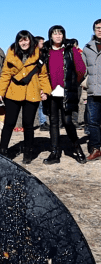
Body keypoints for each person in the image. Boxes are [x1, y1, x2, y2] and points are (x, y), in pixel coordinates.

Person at [0, 31, 51, 164]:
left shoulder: (38, 55)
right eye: (21, 40)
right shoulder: (12, 54)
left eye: (26, 40)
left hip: (32, 92)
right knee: (9, 123)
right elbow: (5, 75)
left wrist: (46, 91)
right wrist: (0, 93)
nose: (24, 43)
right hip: (13, 92)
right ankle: (3, 150)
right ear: (17, 42)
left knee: (28, 124)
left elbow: (42, 75)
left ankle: (28, 152)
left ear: (31, 41)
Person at [40, 26, 87, 164]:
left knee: (67, 121)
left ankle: (77, 148)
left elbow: (81, 69)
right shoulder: (45, 51)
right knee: (53, 122)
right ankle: (55, 153)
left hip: (66, 91)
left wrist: (72, 83)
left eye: (60, 34)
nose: (58, 36)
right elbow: (40, 70)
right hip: (51, 92)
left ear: (64, 36)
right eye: (55, 34)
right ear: (50, 36)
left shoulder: (70, 50)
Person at [82, 19, 101, 161]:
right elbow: (82, 70)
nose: (100, 30)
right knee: (92, 121)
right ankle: (96, 149)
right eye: (97, 28)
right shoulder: (87, 48)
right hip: (93, 91)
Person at [34, 36, 49, 131]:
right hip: (36, 82)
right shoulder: (34, 55)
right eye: (41, 43)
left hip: (44, 81)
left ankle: (44, 122)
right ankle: (42, 123)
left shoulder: (44, 54)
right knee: (39, 104)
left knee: (43, 104)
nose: (43, 45)